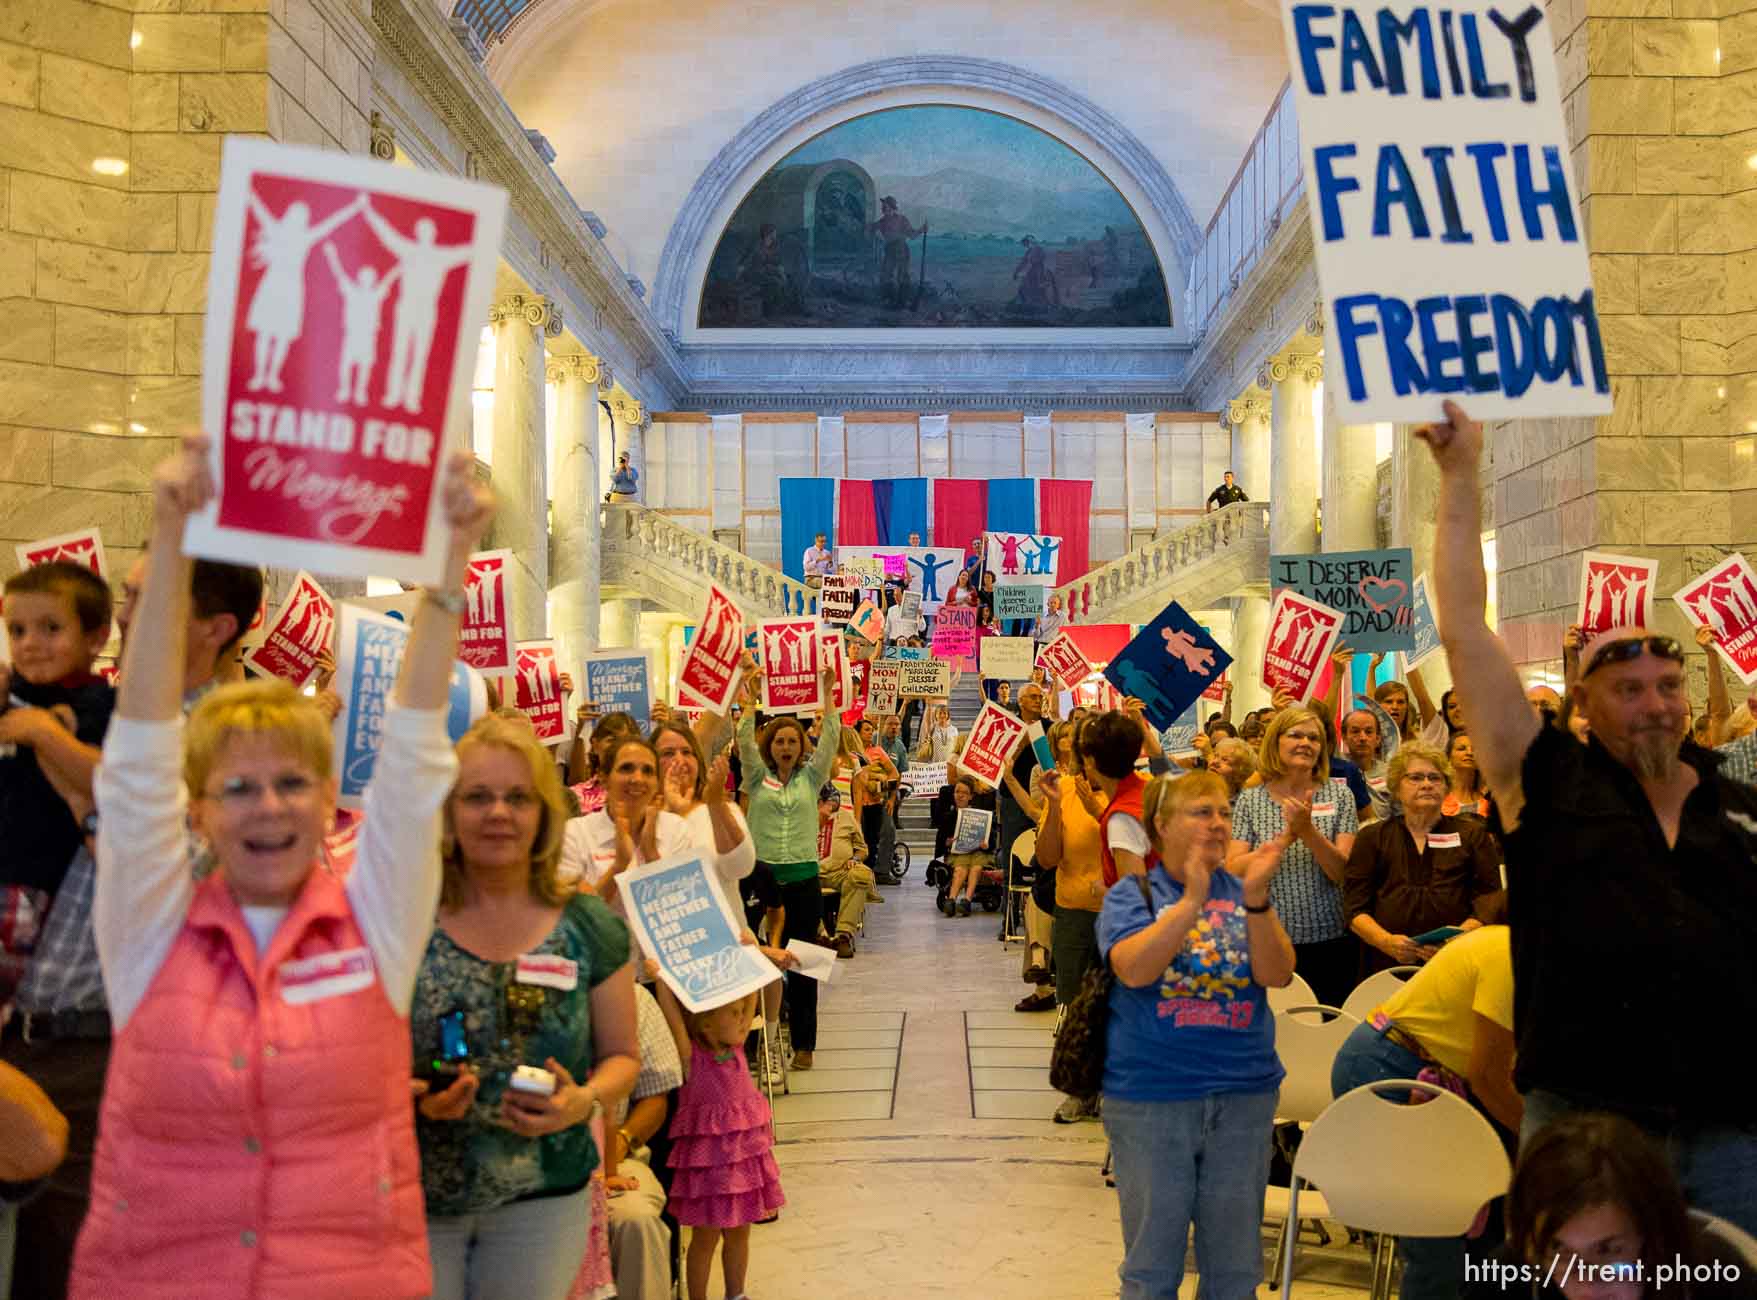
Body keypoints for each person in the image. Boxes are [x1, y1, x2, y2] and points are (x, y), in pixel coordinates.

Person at [69, 439, 485, 1298]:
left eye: (293, 781)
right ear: (200, 810)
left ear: (327, 792)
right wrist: (172, 524)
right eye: (240, 786)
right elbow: (138, 753)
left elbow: (412, 757)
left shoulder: (379, 920)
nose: (268, 805)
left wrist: (450, 562)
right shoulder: (144, 926)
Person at [1421, 398, 1757, 1233]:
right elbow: (1464, 626)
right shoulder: (1546, 785)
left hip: (1729, 1126)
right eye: (1628, 689)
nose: (1653, 705)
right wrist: (1460, 474)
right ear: (1586, 702)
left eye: (1667, 686)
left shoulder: (1734, 801)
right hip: (1585, 1122)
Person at [1, 546, 260, 1298]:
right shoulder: (100, 711)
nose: (120, 616)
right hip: (19, 1032)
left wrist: (55, 749)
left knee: (66, 1272)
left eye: (144, 600)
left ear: (214, 628)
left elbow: (166, 859)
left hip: (97, 1052)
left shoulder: (227, 739)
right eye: (123, 595)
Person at [412, 711, 641, 1300]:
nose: (497, 813)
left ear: (543, 812)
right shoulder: (405, 919)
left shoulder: (586, 925)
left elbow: (622, 1057)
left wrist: (582, 1102)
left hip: (543, 1199)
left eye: (517, 797)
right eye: (477, 797)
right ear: (448, 810)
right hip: (418, 1194)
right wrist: (411, 1096)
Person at [1100, 771, 1297, 1300]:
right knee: (1152, 1268)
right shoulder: (1131, 894)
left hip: (1243, 1093)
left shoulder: (1245, 891)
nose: (1217, 824)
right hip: (1152, 1098)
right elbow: (1135, 969)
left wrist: (1256, 900)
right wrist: (1190, 901)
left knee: (1235, 1271)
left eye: (1224, 813)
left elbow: (1277, 972)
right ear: (1162, 825)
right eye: (1201, 812)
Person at [1330, 925, 1518, 1300]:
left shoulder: (1510, 946)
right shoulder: (1507, 956)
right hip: (1391, 1063)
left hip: (1419, 1063)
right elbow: (1487, 1077)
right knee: (1439, 1234)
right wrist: (1542, 1140)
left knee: (1483, 1228)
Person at [1465, 1112, 1757, 1300]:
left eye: (1608, 1251)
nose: (1585, 1287)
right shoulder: (1507, 1279)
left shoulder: (1715, 1281)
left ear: (1654, 1236)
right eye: (1560, 1252)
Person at [0, 561, 115, 1005]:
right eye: (17, 631)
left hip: (37, 886)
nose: (31, 644)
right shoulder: (14, 697)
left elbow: (109, 781)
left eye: (50, 628)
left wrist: (46, 733)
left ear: (95, 637)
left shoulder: (99, 704)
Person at [650, 983, 784, 1300]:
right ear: (706, 1021)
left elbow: (752, 1000)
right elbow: (671, 1013)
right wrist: (662, 983)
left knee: (740, 1233)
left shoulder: (737, 1046)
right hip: (708, 1168)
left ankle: (735, 1293)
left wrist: (749, 958)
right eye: (733, 1014)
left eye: (742, 1013)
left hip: (742, 1163)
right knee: (705, 1238)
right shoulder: (689, 1055)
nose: (742, 1020)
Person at [737, 668, 840, 1069]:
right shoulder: (756, 777)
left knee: (804, 961)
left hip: (802, 881)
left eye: (792, 741)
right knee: (750, 960)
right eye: (779, 740)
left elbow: (830, 737)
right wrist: (752, 697)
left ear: (801, 748)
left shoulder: (811, 779)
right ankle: (750, 1042)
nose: (785, 746)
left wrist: (828, 695)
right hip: (758, 879)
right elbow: (744, 741)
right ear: (770, 745)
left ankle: (804, 1044)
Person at [1230, 706, 1359, 1006]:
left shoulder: (1340, 796)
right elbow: (1234, 869)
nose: (1306, 743)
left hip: (1331, 940)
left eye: (1314, 738)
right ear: (1276, 741)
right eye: (1296, 735)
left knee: (1327, 1030)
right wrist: (1285, 839)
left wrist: (1307, 832)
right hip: (1269, 938)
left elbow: (1342, 872)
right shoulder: (1250, 800)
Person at [1344, 742, 1503, 978]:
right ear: (1397, 787)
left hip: (1456, 962)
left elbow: (1489, 901)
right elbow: (1354, 907)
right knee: (1384, 1017)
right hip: (1384, 964)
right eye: (1416, 778)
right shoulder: (1372, 837)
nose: (1427, 784)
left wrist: (1456, 939)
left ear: (1447, 787)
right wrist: (1386, 941)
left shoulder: (1472, 835)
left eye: (1435, 778)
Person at [1032, 720, 1107, 1121]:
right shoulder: (1062, 790)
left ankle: (1110, 1086)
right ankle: (1080, 1090)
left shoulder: (1136, 788)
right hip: (1075, 909)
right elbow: (1046, 858)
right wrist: (1056, 805)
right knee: (1075, 1002)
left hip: (1123, 911)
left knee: (1119, 1005)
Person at [602, 984, 684, 1300]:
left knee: (638, 1222)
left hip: (615, 1156)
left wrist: (620, 1143)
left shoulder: (631, 999)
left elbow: (656, 1096)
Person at [558, 734, 694, 905]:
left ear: (657, 782)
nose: (638, 779)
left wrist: (652, 856)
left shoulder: (676, 829)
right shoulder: (574, 833)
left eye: (648, 771)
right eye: (626, 768)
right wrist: (619, 866)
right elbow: (576, 919)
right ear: (603, 778)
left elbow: (684, 909)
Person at [815, 785, 877, 958]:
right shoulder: (803, 816)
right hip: (811, 872)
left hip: (840, 872)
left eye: (835, 802)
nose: (832, 806)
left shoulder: (846, 817)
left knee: (861, 876)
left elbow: (862, 849)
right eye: (828, 802)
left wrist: (854, 859)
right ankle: (821, 935)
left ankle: (843, 935)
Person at [937, 774, 995, 917]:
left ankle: (967, 901)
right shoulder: (948, 817)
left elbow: (991, 839)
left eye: (964, 793)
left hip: (978, 852)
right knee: (960, 868)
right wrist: (947, 842)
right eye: (957, 792)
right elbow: (941, 841)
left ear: (971, 796)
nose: (960, 796)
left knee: (976, 868)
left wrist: (986, 844)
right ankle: (951, 900)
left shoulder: (980, 816)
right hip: (958, 853)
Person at [1442, 729, 1490, 819]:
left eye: (1474, 749)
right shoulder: (1437, 798)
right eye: (1461, 749)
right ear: (1448, 757)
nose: (1469, 753)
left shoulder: (1488, 805)